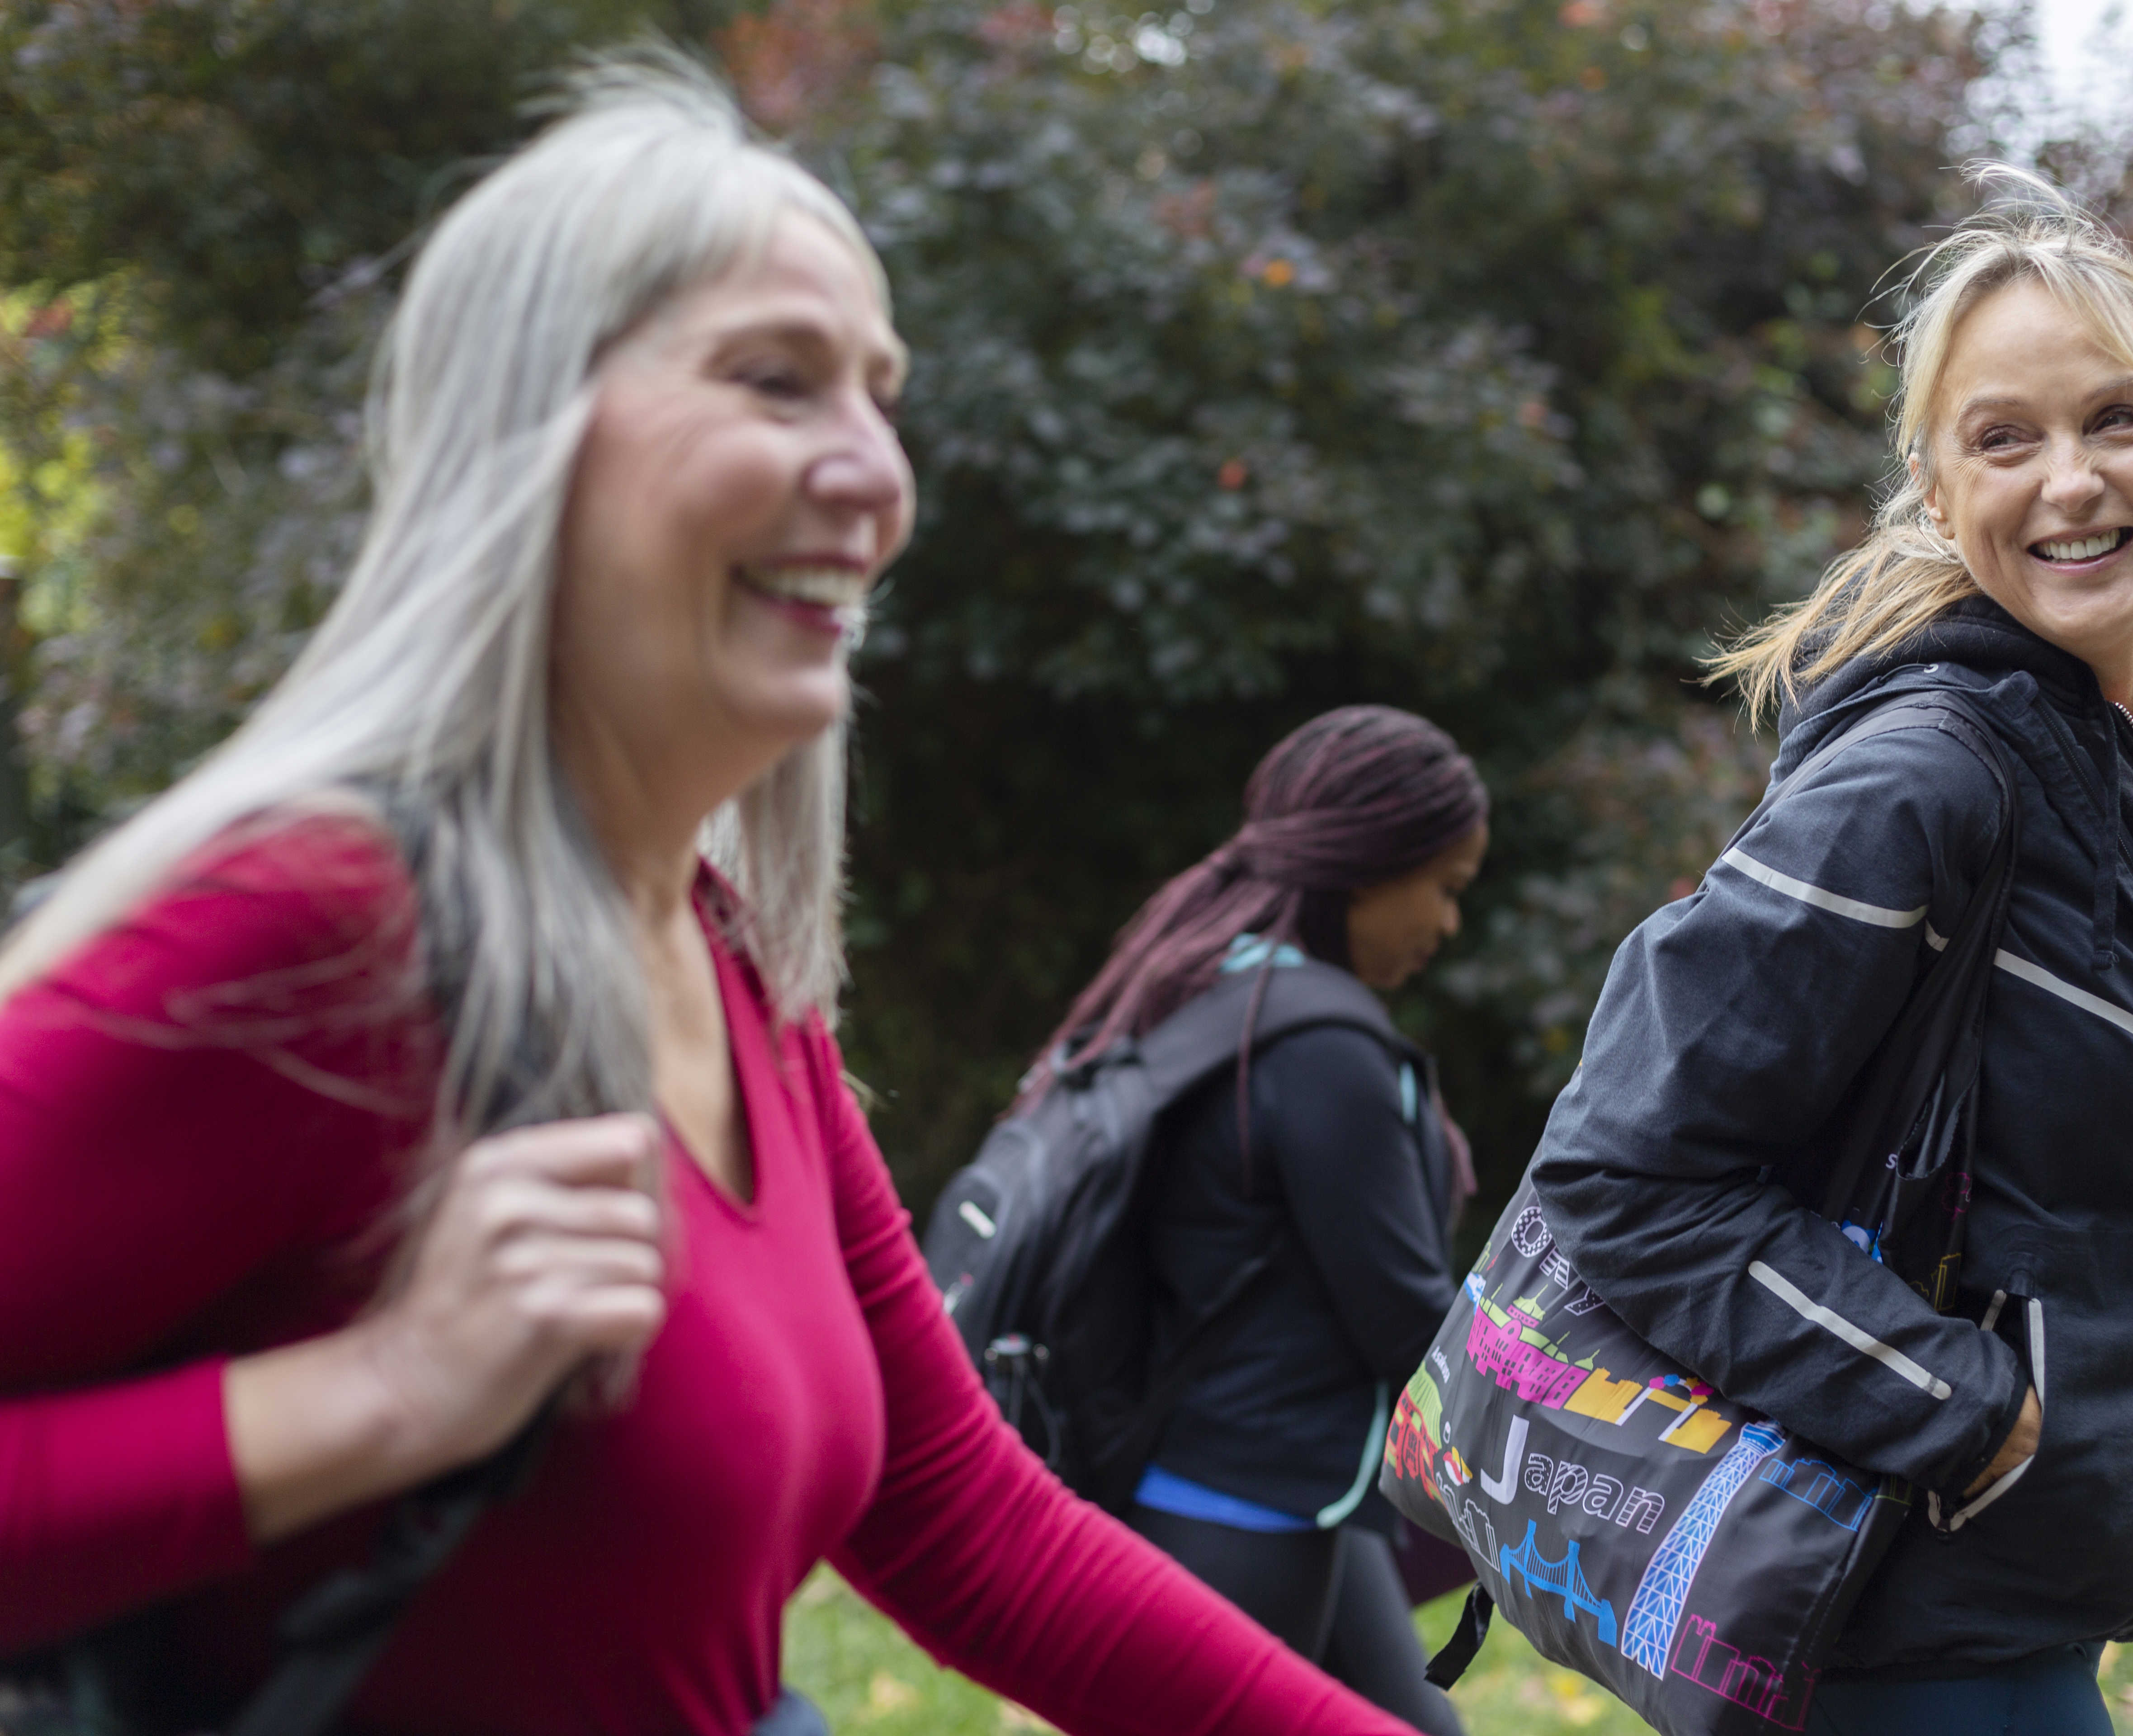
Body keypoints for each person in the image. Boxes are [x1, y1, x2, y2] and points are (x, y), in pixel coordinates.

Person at [0, 59, 1425, 1736]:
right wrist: (374, 1396)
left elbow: (971, 1524)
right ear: (526, 438)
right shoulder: (324, 928)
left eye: (880, 398)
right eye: (777, 381)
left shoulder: (729, 952)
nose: (876, 476)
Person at [1526, 166, 2133, 1735]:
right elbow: (1622, 1174)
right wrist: (1967, 1413)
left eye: (2117, 420)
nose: (2074, 485)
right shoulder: (1926, 778)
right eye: (2005, 439)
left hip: (2032, 1604)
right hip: (1901, 1634)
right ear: (1934, 487)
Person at [1018, 705, 1488, 1736]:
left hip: (1240, 1486)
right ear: (1371, 865)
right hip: (1244, 1513)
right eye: (1445, 889)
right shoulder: (1327, 1048)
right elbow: (1405, 1320)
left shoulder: (1205, 988)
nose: (1448, 927)